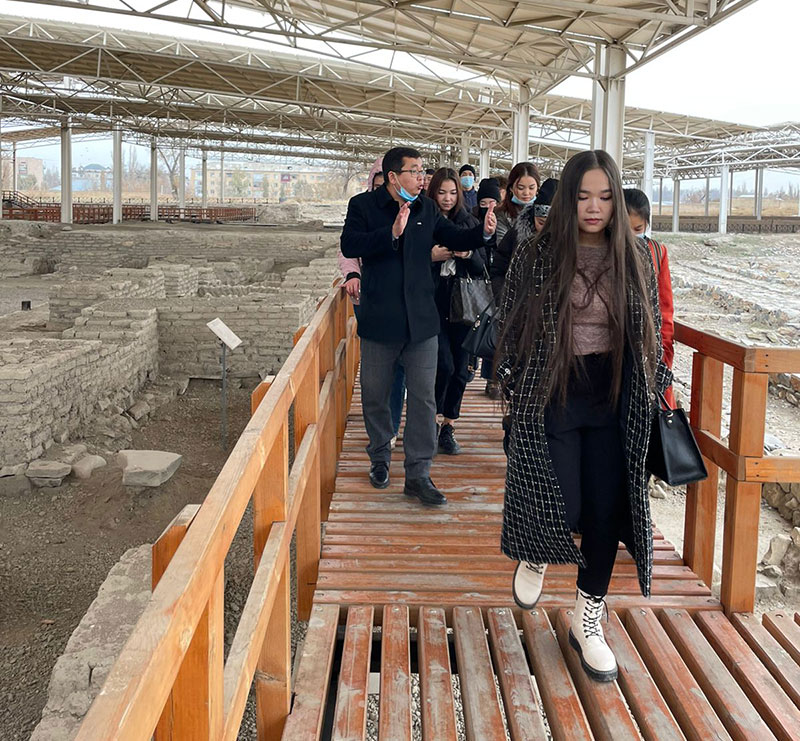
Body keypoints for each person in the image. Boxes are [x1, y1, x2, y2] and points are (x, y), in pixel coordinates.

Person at [495, 149, 671, 683]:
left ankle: (587, 617)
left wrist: (661, 382)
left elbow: (651, 325)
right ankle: (537, 549)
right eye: (583, 196)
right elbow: (510, 318)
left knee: (605, 509)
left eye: (605, 196)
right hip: (555, 387)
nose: (594, 207)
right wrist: (511, 382)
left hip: (615, 392)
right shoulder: (538, 252)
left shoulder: (636, 255)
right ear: (568, 199)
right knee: (563, 497)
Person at [341, 146, 496, 506]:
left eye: (422, 170)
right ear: (394, 176)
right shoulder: (363, 206)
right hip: (381, 320)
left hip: (422, 323)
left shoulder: (426, 208)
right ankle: (380, 457)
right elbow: (349, 244)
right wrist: (391, 233)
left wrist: (483, 234)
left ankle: (418, 473)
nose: (421, 177)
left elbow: (454, 236)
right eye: (415, 171)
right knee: (376, 396)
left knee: (424, 400)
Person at [338, 167, 407, 447]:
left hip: (402, 302)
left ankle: (391, 425)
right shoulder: (363, 209)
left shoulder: (408, 211)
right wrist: (352, 274)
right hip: (369, 297)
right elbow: (347, 249)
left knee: (399, 369)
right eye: (377, 186)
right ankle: (380, 433)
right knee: (376, 371)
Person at [428, 168, 486, 455]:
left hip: (464, 304)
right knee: (444, 364)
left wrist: (468, 254)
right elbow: (407, 261)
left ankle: (449, 425)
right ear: (433, 193)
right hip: (433, 302)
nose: (447, 198)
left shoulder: (470, 223)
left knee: (462, 370)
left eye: (453, 192)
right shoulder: (423, 220)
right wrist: (431, 257)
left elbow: (483, 266)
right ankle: (431, 418)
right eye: (442, 192)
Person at [624, 188, 675, 407]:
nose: (632, 235)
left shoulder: (657, 252)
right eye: (625, 229)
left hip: (648, 348)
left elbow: (665, 308)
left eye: (638, 229)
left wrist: (665, 352)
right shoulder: (603, 250)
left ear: (647, 224)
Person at [495, 162, 540, 245]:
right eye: (521, 188)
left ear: (537, 188)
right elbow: (502, 246)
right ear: (511, 188)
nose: (526, 193)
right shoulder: (502, 215)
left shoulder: (543, 213)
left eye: (531, 188)